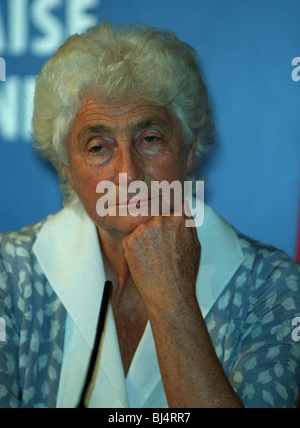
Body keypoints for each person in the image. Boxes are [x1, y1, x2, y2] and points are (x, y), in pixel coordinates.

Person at [0, 22, 300, 409]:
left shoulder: (275, 286)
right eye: (98, 147)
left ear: (188, 152)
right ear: (68, 171)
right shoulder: (9, 272)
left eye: (149, 139)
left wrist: (172, 301)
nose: (128, 175)